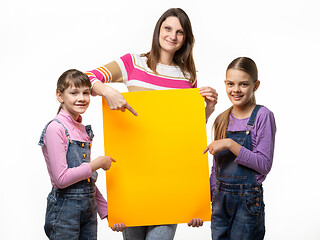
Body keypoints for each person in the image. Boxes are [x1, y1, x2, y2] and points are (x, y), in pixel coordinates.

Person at [85, 8, 218, 240]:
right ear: (158, 30)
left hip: (170, 181)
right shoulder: (133, 63)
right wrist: (108, 91)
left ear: (186, 38)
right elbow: (86, 77)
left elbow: (185, 133)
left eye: (180, 32)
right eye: (168, 28)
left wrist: (207, 110)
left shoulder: (187, 76)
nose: (173, 36)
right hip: (134, 177)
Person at [203, 57, 276, 240]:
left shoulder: (263, 116)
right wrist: (205, 201)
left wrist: (230, 143)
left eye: (243, 84)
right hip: (219, 201)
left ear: (255, 85)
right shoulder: (222, 118)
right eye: (230, 84)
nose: (236, 90)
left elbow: (264, 164)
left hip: (248, 201)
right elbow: (216, 169)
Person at [38, 69, 116, 239]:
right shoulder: (56, 128)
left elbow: (84, 179)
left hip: (88, 209)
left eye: (86, 93)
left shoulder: (82, 130)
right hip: (65, 210)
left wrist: (106, 210)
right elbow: (62, 179)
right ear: (60, 96)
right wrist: (98, 163)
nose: (81, 98)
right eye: (74, 92)